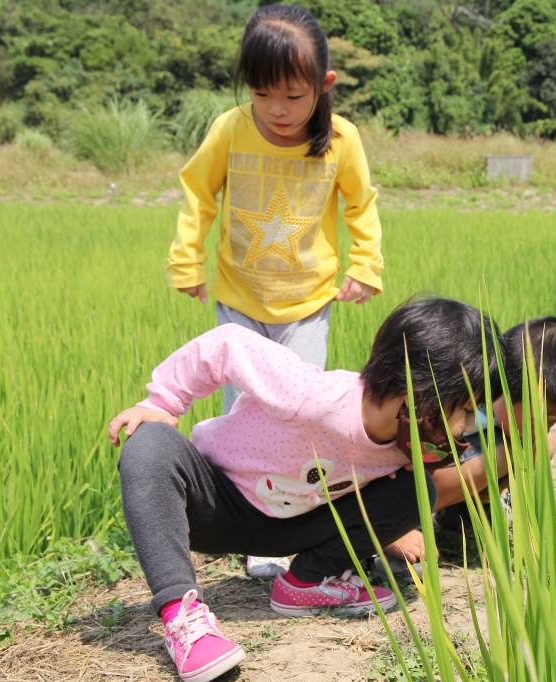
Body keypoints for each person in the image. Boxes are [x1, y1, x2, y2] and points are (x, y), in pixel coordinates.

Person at [107, 298, 500, 682]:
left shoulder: (406, 447)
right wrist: (163, 402)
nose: (466, 425)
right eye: (465, 409)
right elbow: (228, 342)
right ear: (422, 395)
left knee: (418, 492)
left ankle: (306, 583)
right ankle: (182, 614)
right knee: (148, 443)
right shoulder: (310, 395)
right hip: (216, 502)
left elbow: (403, 497)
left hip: (287, 527)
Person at [165, 4, 385, 578]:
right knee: (241, 419)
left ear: (323, 85)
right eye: (263, 94)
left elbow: (361, 205)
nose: (277, 110)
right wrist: (187, 258)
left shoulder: (341, 140)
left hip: (307, 304)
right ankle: (234, 523)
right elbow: (198, 194)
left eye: (293, 95)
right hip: (240, 301)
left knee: (296, 417)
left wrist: (365, 264)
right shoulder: (231, 129)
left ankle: (279, 533)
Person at [377, 317, 556, 575]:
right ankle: (393, 529)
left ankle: (461, 517)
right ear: (509, 390)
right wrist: (392, 530)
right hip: (394, 483)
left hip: (443, 473)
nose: (545, 426)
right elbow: (394, 461)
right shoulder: (460, 407)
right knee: (522, 449)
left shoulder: (504, 417)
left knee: (543, 445)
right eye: (541, 417)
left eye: (555, 419)